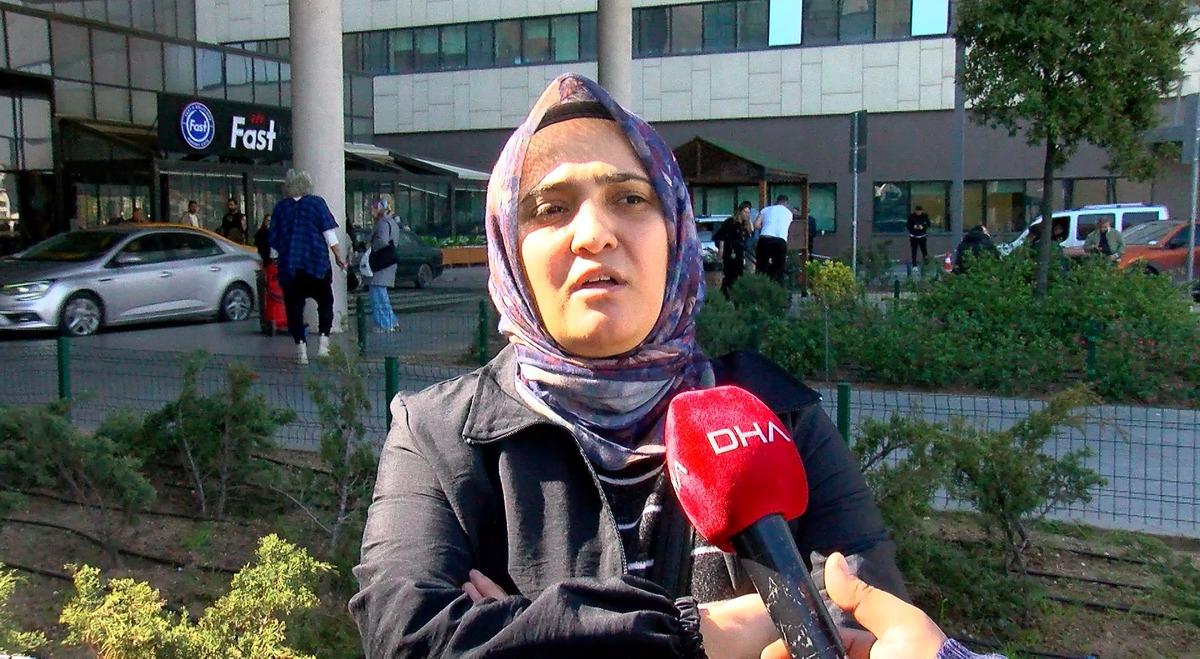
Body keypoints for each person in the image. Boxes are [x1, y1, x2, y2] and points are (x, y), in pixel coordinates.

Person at [350, 74, 998, 659]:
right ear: (508, 248)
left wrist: (523, 630)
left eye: (630, 198)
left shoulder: (777, 412)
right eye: (551, 207)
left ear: (676, 231)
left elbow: (861, 616)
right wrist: (703, 634)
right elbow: (407, 636)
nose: (593, 234)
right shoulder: (440, 434)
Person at [269, 169, 346, 365]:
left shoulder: (281, 208)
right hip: (316, 263)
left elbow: (274, 243)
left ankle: (301, 350)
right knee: (325, 302)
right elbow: (329, 235)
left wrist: (275, 260)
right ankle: (323, 345)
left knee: (294, 309)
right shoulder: (317, 203)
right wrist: (339, 257)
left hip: (291, 266)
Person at [368, 200, 401, 332]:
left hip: (382, 261)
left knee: (377, 293)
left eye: (373, 209)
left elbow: (382, 241)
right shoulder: (392, 222)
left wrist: (370, 246)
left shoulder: (382, 223)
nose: (371, 211)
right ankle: (391, 321)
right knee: (381, 293)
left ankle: (385, 324)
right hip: (389, 260)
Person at [714, 202, 752, 296]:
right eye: (745, 212)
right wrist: (721, 250)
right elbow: (721, 236)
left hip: (739, 253)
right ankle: (724, 295)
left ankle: (733, 294)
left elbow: (750, 233)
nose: (747, 214)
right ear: (740, 211)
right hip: (730, 252)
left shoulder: (743, 225)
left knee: (738, 275)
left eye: (748, 212)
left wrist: (749, 221)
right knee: (729, 275)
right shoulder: (730, 222)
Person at [755, 195, 793, 282]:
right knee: (779, 269)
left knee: (761, 267)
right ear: (786, 203)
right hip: (780, 241)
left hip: (765, 238)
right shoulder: (789, 213)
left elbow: (756, 225)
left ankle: (760, 286)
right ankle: (777, 286)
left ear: (776, 201)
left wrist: (765, 227)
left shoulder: (766, 210)